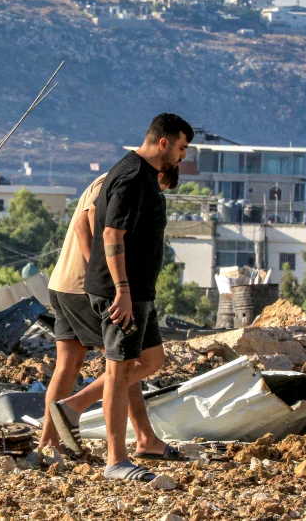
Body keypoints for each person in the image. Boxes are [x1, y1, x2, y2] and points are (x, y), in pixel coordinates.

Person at [50, 113, 193, 481]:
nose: (182, 157)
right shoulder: (130, 176)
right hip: (116, 291)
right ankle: (117, 459)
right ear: (164, 143)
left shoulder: (141, 176)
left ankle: (74, 409)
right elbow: (110, 235)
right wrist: (121, 290)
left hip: (135, 291)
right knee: (117, 370)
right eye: (181, 148)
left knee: (149, 360)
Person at [38, 165, 180, 457]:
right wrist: (102, 278)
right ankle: (79, 411)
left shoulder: (109, 178)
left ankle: (47, 445)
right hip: (83, 286)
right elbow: (83, 225)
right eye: (160, 189)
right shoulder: (124, 182)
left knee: (70, 366)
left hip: (63, 282)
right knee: (126, 363)